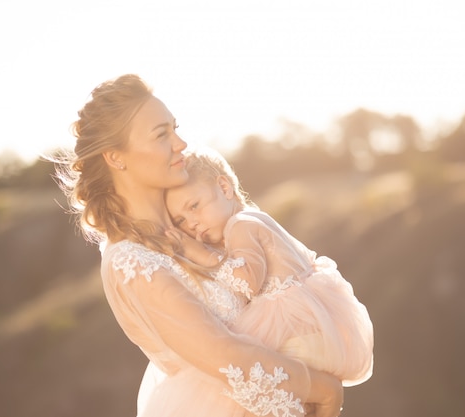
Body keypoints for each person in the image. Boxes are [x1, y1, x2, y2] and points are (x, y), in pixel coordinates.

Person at [56, 73, 344, 417]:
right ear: (116, 157)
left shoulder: (198, 222)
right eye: (162, 134)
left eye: (175, 129)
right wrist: (323, 390)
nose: (181, 143)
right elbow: (222, 354)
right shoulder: (129, 260)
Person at [164, 149, 374, 387]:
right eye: (180, 221)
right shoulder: (255, 217)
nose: (191, 223)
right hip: (316, 329)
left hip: (295, 332)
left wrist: (199, 253)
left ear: (224, 188)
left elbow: (249, 282)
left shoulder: (240, 226)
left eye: (193, 206)